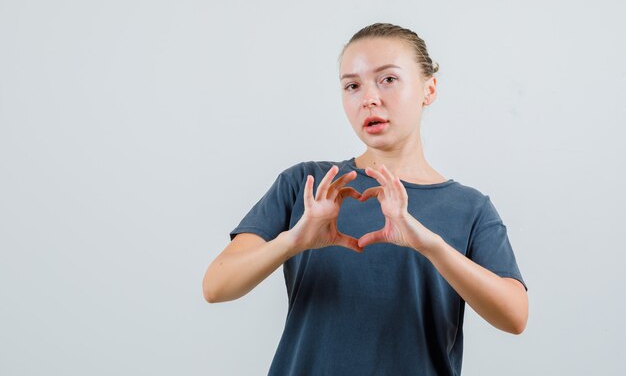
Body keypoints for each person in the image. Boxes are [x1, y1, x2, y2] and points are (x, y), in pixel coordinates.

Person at [202, 22, 528, 376]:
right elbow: (216, 285)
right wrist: (293, 241)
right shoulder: (309, 186)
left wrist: (429, 245)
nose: (369, 98)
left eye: (388, 79)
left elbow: (514, 316)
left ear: (429, 88)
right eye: (352, 86)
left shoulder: (470, 208)